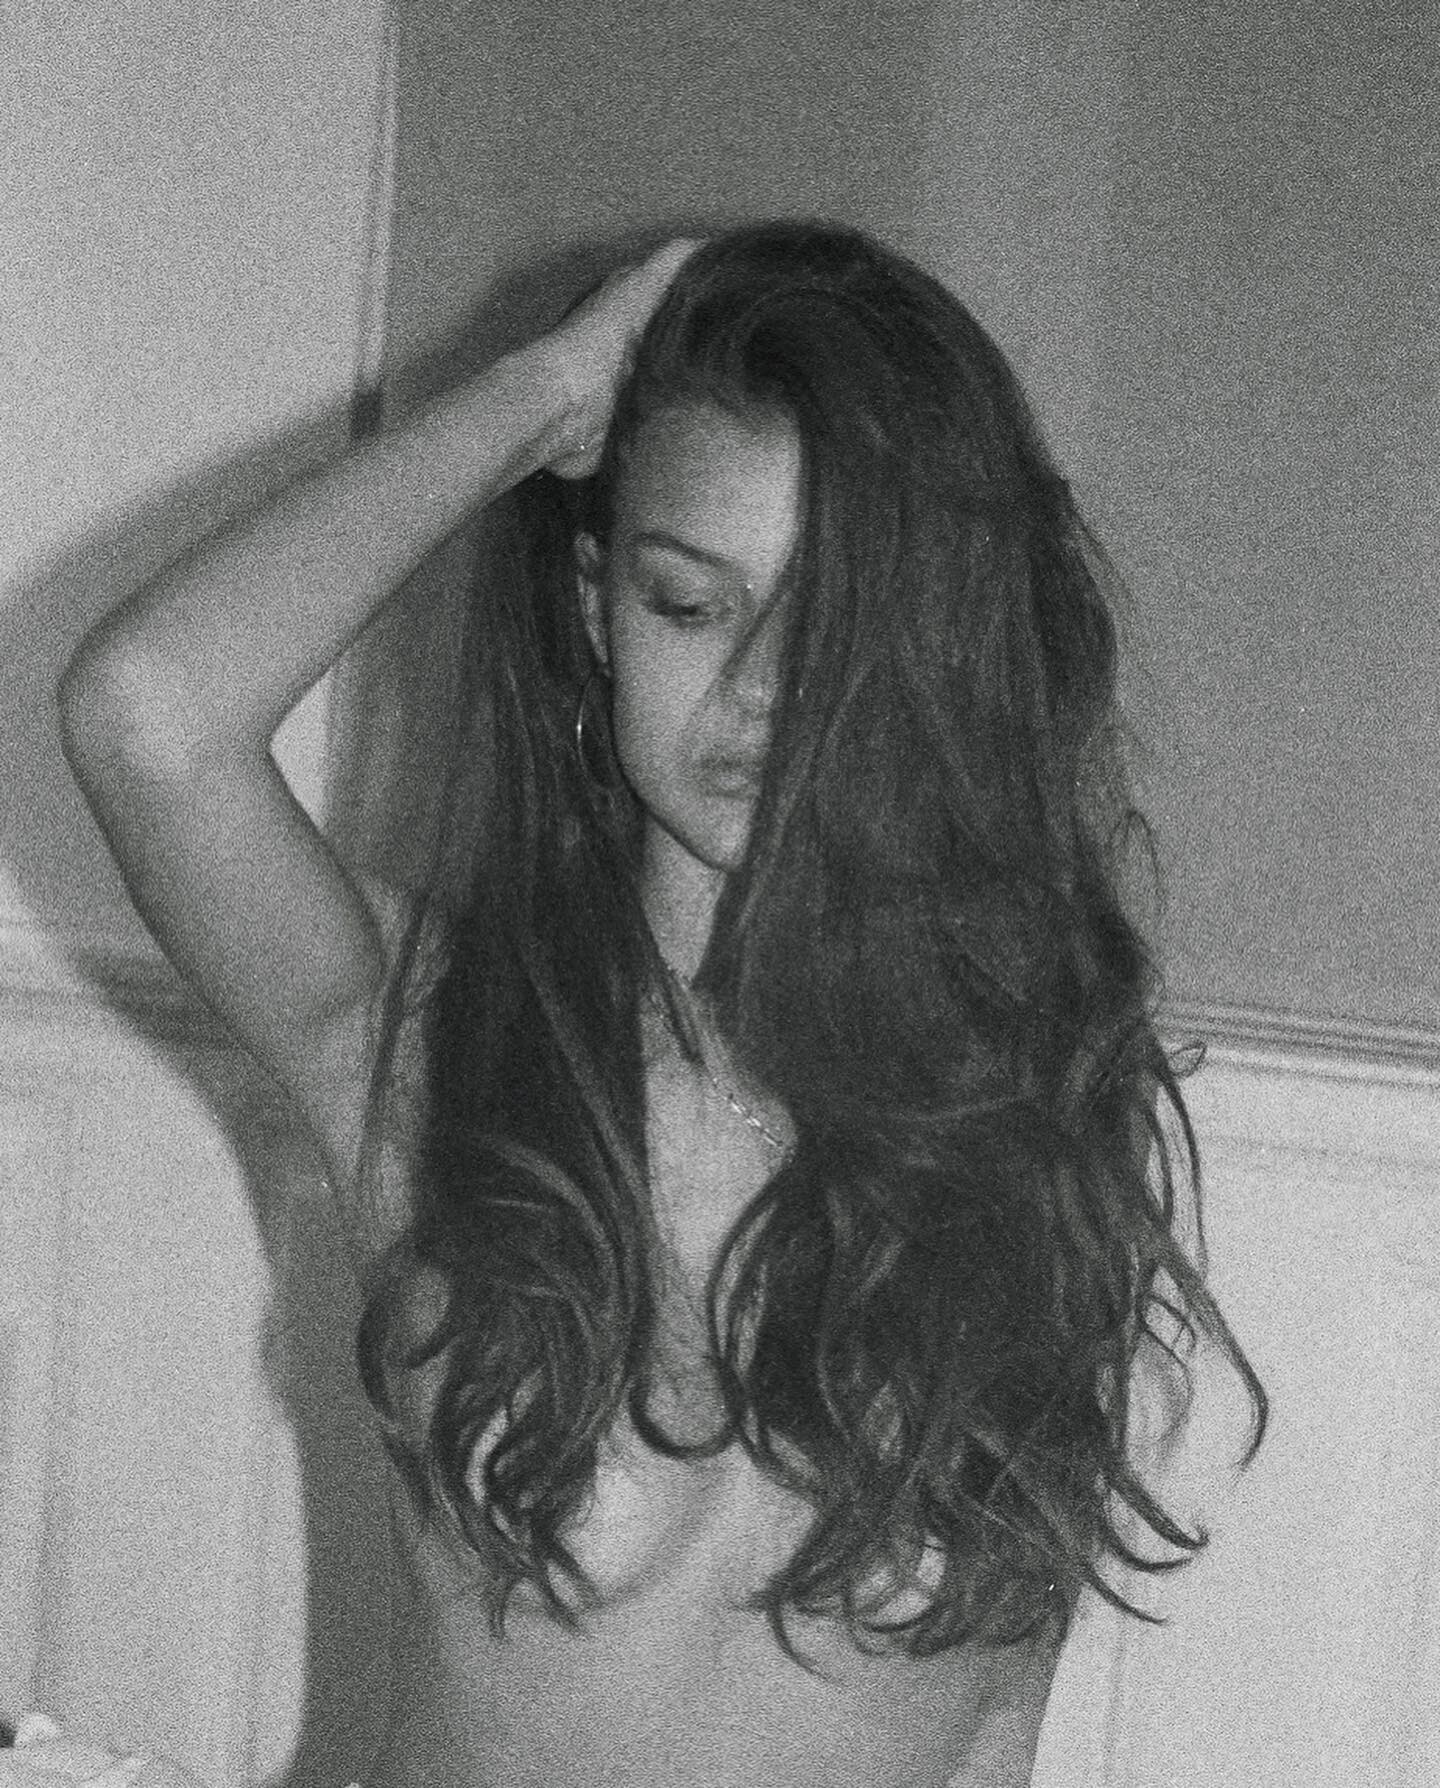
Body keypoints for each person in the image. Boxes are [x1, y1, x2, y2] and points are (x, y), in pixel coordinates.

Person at [57, 222, 1264, 1788]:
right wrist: (544, 401)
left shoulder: (1020, 1115)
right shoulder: (426, 1043)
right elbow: (147, 717)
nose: (758, 687)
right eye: (690, 603)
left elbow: (988, 1730)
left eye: (830, 620)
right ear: (597, 611)